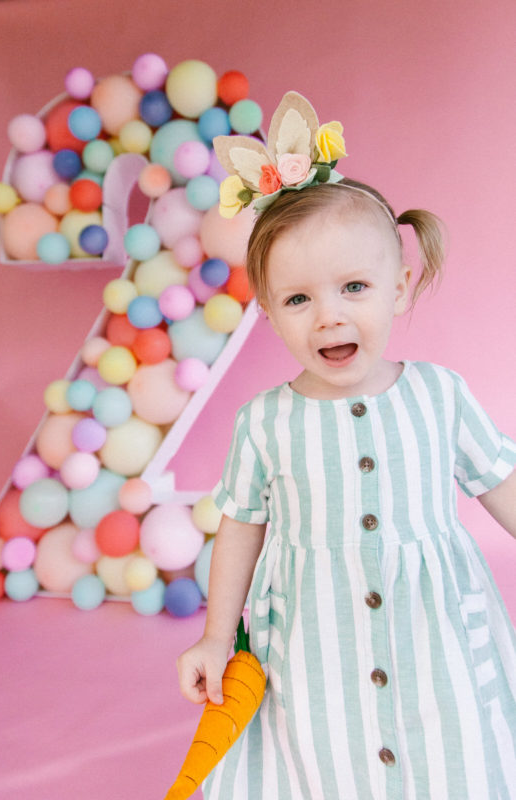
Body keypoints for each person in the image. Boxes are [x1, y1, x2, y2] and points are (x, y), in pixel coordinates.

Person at [176, 92, 516, 799]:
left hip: (436, 626)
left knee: (452, 745)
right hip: (309, 636)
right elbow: (241, 526)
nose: (329, 314)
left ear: (398, 287)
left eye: (354, 287)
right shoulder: (265, 420)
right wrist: (216, 635)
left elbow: (500, 483)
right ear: (268, 312)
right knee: (317, 753)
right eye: (298, 299)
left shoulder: (440, 393)